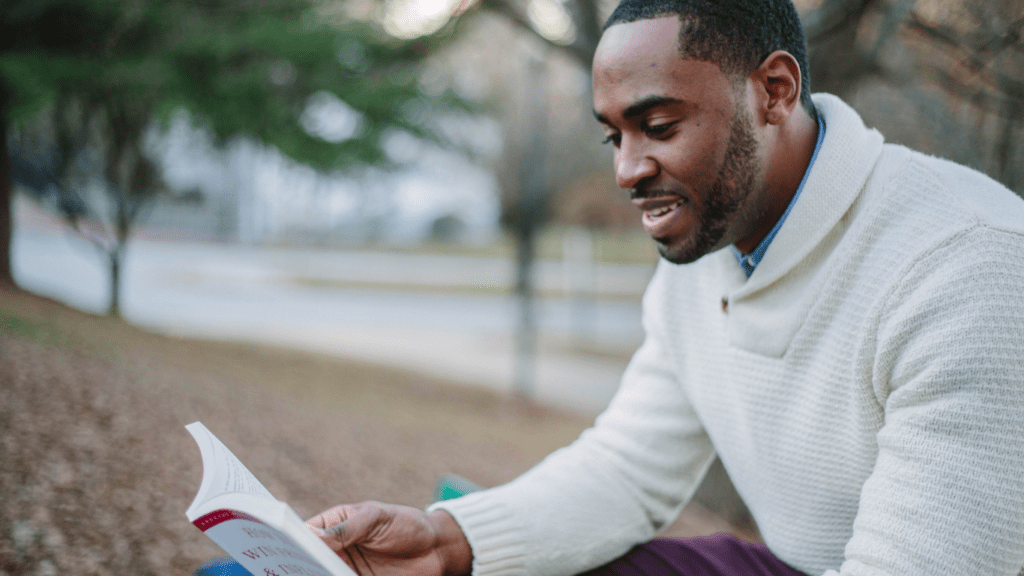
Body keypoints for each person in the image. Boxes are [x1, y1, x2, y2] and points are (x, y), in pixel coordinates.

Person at [307, 0, 1024, 575]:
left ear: (774, 91)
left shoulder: (968, 267)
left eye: (656, 125)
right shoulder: (709, 248)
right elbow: (626, 471)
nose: (626, 170)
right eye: (613, 136)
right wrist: (445, 541)